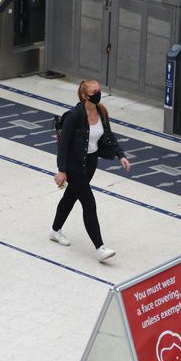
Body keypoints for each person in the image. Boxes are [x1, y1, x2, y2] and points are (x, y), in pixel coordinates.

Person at [51, 79, 131, 262]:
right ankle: (100, 247)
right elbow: (63, 145)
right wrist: (62, 170)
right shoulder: (74, 115)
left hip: (91, 162)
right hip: (74, 165)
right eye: (95, 91)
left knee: (70, 196)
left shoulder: (102, 111)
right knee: (89, 202)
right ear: (85, 95)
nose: (98, 94)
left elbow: (109, 135)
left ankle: (55, 230)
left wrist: (121, 155)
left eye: (99, 90)